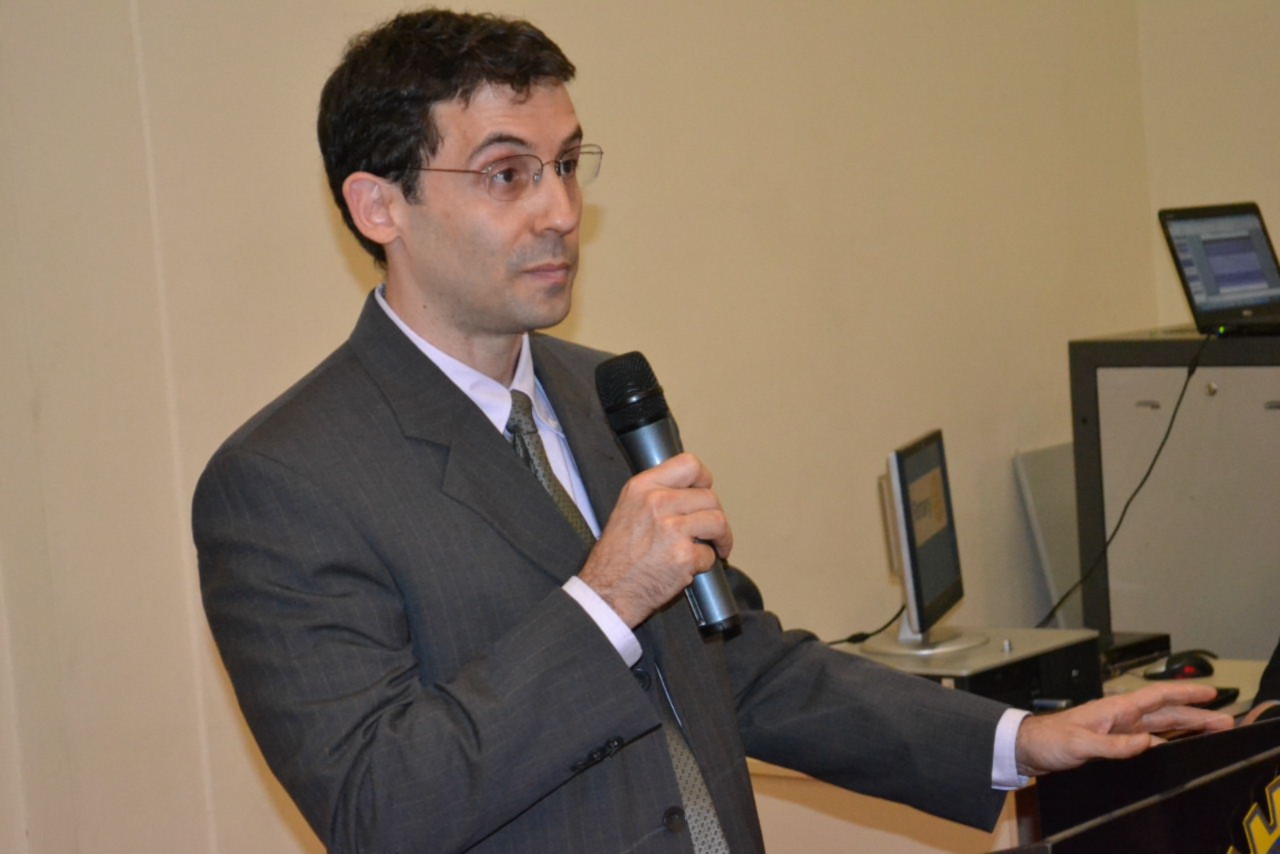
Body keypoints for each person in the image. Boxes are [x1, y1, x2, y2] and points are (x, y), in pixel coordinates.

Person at [192, 9, 1232, 853]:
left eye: (568, 163)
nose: (561, 211)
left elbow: (740, 667)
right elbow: (378, 807)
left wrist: (1020, 740)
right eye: (508, 174)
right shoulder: (284, 481)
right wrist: (606, 597)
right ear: (379, 205)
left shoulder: (604, 392)